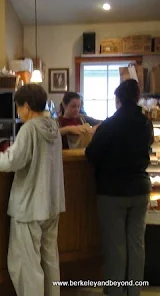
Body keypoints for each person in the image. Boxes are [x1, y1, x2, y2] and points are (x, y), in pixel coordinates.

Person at [0, 84, 65, 296]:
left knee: (26, 266)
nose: (18, 113)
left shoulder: (29, 129)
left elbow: (10, 162)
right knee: (50, 261)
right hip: (52, 203)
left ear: (27, 106)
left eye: (18, 108)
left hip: (29, 206)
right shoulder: (53, 126)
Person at [85, 79, 153, 296]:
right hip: (141, 190)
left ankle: (115, 292)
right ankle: (134, 292)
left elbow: (92, 154)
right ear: (136, 98)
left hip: (112, 191)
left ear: (118, 100)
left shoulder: (110, 124)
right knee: (136, 245)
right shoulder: (146, 123)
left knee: (116, 247)